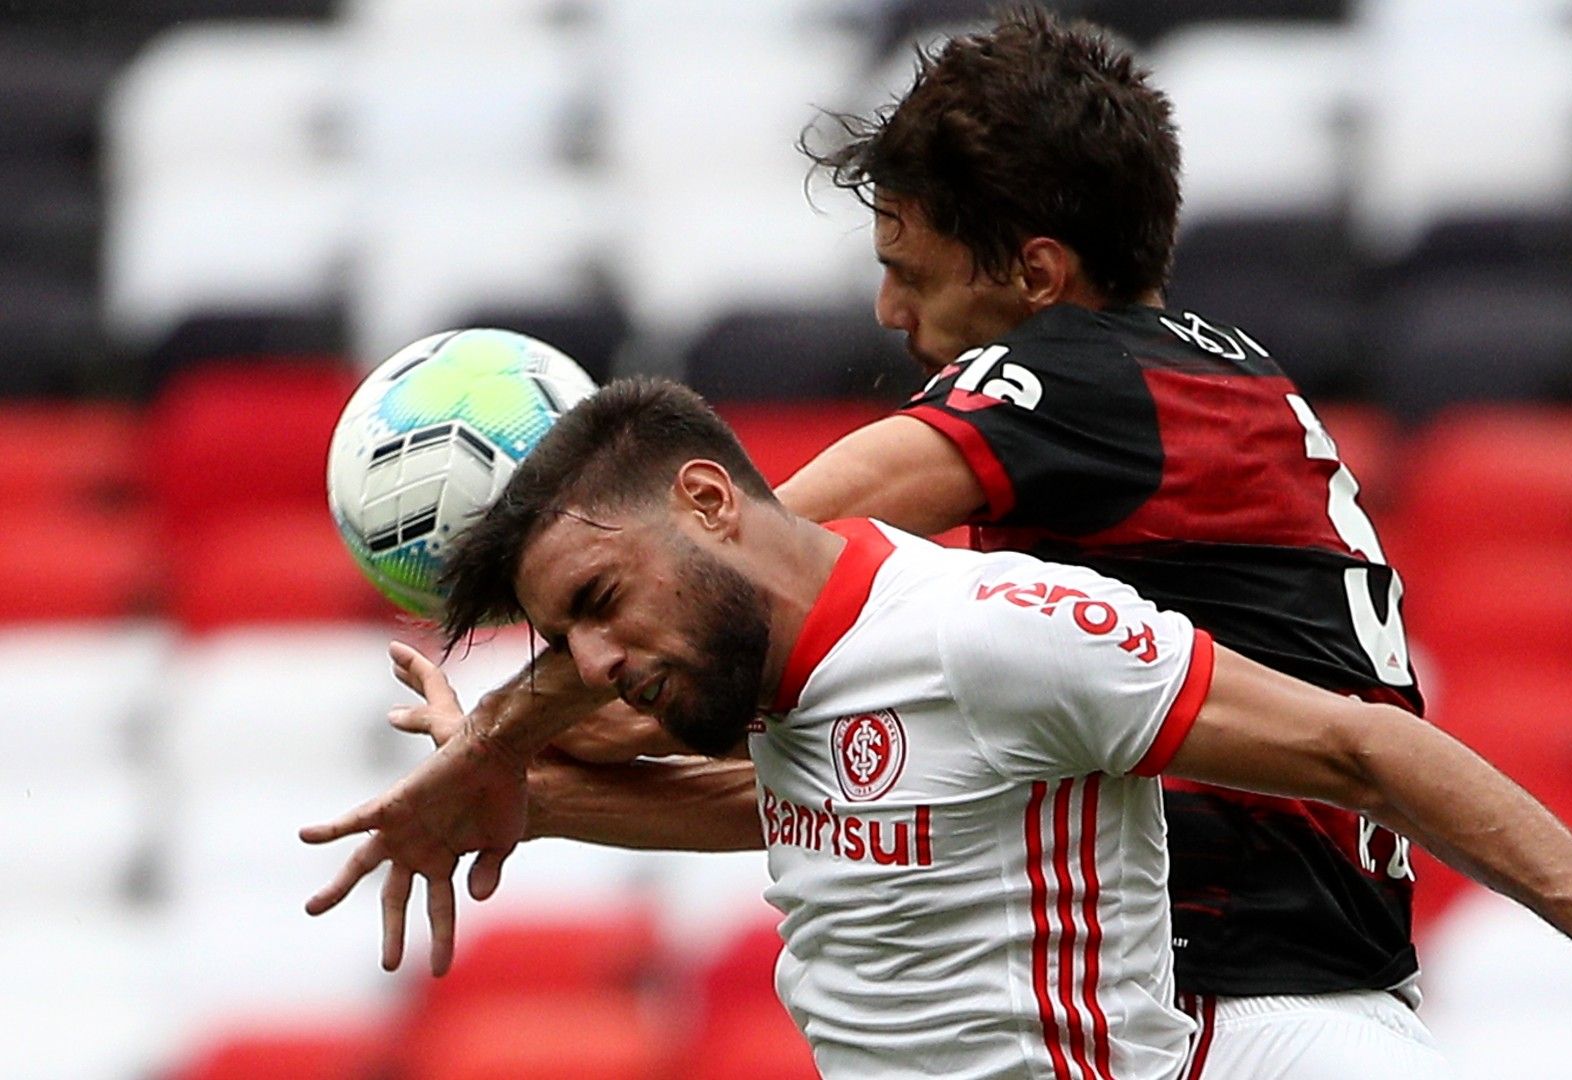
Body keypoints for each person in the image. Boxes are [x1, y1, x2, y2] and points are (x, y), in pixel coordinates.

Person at [386, 11, 1464, 1073]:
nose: (888, 308)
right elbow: (840, 791)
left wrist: (502, 733)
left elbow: (740, 560)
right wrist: (537, 793)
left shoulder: (1064, 385)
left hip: (1248, 1004)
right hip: (1289, 985)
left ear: (1037, 277)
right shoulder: (1192, 393)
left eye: (912, 268)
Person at [303, 377, 1572, 1080]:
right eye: (559, 640)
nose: (591, 661)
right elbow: (806, 807)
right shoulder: (786, 688)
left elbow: (1362, 749)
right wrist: (528, 790)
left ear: (710, 499)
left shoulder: (997, 636)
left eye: (596, 601)